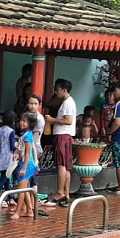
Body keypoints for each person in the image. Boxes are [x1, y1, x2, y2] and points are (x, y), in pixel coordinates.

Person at [44, 78, 76, 207]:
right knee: (66, 166)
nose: (55, 92)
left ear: (64, 89)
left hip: (62, 135)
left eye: (57, 89)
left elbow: (68, 120)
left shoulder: (67, 103)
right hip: (66, 136)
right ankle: (66, 193)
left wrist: (53, 120)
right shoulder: (68, 102)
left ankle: (60, 192)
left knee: (61, 165)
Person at [12, 112, 40, 219]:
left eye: (24, 121)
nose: (21, 123)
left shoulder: (28, 135)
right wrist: (16, 153)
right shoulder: (25, 134)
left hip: (27, 164)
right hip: (25, 163)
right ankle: (29, 210)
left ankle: (18, 212)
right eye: (21, 121)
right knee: (24, 188)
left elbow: (28, 153)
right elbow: (21, 149)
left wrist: (24, 168)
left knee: (21, 189)